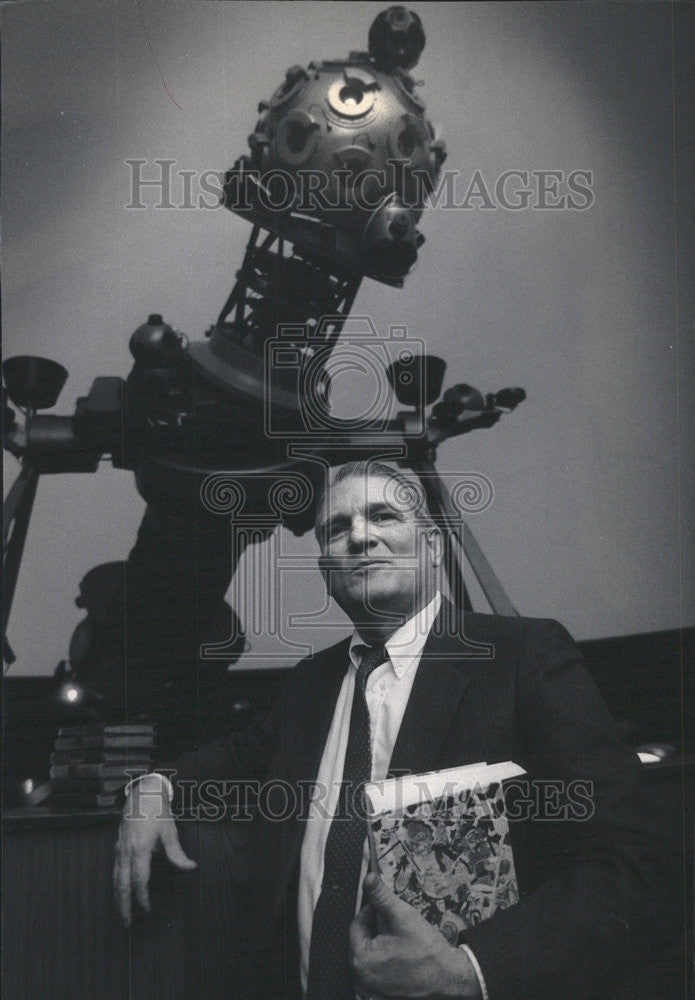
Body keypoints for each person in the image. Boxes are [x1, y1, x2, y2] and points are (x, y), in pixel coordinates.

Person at [114, 460, 675, 1000]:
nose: (359, 537)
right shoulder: (309, 685)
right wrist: (152, 787)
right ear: (325, 570)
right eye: (337, 529)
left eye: (384, 517)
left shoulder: (522, 656)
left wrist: (469, 973)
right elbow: (220, 762)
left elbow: (644, 864)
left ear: (432, 545)